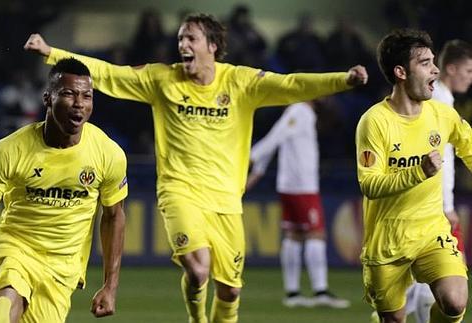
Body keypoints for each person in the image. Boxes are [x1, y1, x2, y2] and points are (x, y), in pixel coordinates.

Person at [25, 13, 367, 323]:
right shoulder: (163, 79)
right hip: (179, 192)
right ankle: (196, 319)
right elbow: (110, 74)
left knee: (230, 291)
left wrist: (342, 81)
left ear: (213, 46)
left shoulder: (240, 83)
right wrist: (52, 53)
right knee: (198, 268)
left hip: (226, 203)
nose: (182, 45)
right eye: (179, 39)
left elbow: (293, 84)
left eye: (190, 39)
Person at [0, 58, 128, 322]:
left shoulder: (108, 154)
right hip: (14, 248)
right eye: (68, 94)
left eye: (86, 96)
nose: (79, 103)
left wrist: (110, 286)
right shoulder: (9, 150)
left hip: (61, 267)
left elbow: (114, 217)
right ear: (47, 99)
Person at [356, 29, 471, 323]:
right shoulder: (374, 122)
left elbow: (470, 148)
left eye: (434, 61)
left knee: (455, 301)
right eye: (425, 63)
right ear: (401, 72)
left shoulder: (441, 114)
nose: (435, 69)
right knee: (394, 319)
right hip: (388, 239)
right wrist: (418, 172)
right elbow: (369, 184)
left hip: (431, 231)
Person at [246, 100, 350, 309]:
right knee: (316, 234)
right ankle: (320, 291)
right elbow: (274, 139)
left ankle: (292, 293)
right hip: (302, 186)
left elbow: (277, 140)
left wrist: (255, 174)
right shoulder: (300, 110)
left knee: (294, 236)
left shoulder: (296, 113)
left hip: (290, 185)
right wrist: (250, 158)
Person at [398, 39, 472, 323]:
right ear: (451, 69)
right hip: (435, 204)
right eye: (468, 71)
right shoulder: (438, 100)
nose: (470, 78)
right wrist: (445, 203)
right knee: (449, 277)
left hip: (431, 202)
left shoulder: (443, 99)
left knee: (429, 278)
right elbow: (437, 158)